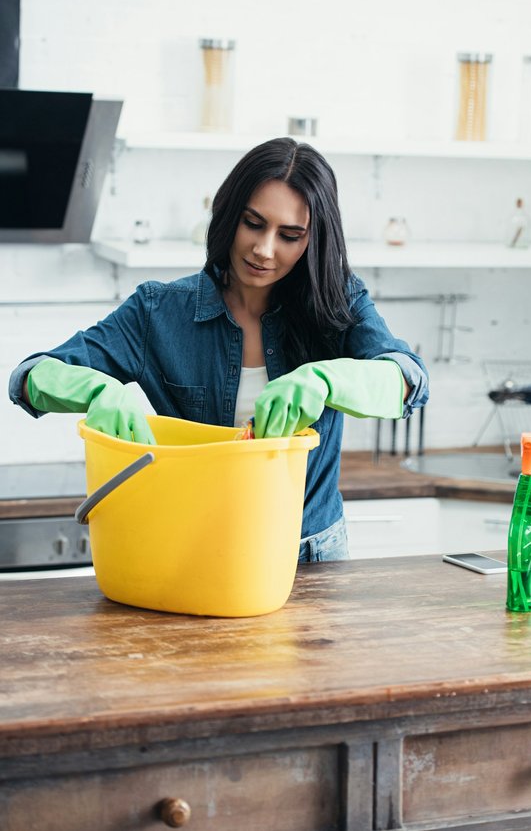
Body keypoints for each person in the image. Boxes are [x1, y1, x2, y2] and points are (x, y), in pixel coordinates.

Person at [9, 137, 429, 562]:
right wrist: (97, 391)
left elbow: (408, 380)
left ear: (312, 240)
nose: (264, 250)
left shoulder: (338, 302)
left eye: (289, 235)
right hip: (196, 549)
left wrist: (326, 378)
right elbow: (29, 377)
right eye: (253, 223)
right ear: (230, 214)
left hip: (311, 552)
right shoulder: (159, 311)